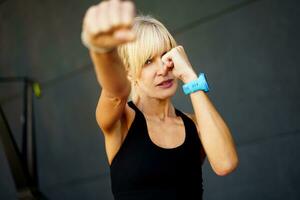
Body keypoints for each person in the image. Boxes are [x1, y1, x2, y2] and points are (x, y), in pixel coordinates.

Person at [81, 0, 239, 199]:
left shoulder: (195, 124)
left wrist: (190, 77)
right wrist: (102, 52)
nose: (163, 68)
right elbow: (115, 91)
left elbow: (226, 163)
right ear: (128, 71)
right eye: (148, 61)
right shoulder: (123, 120)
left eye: (165, 55)